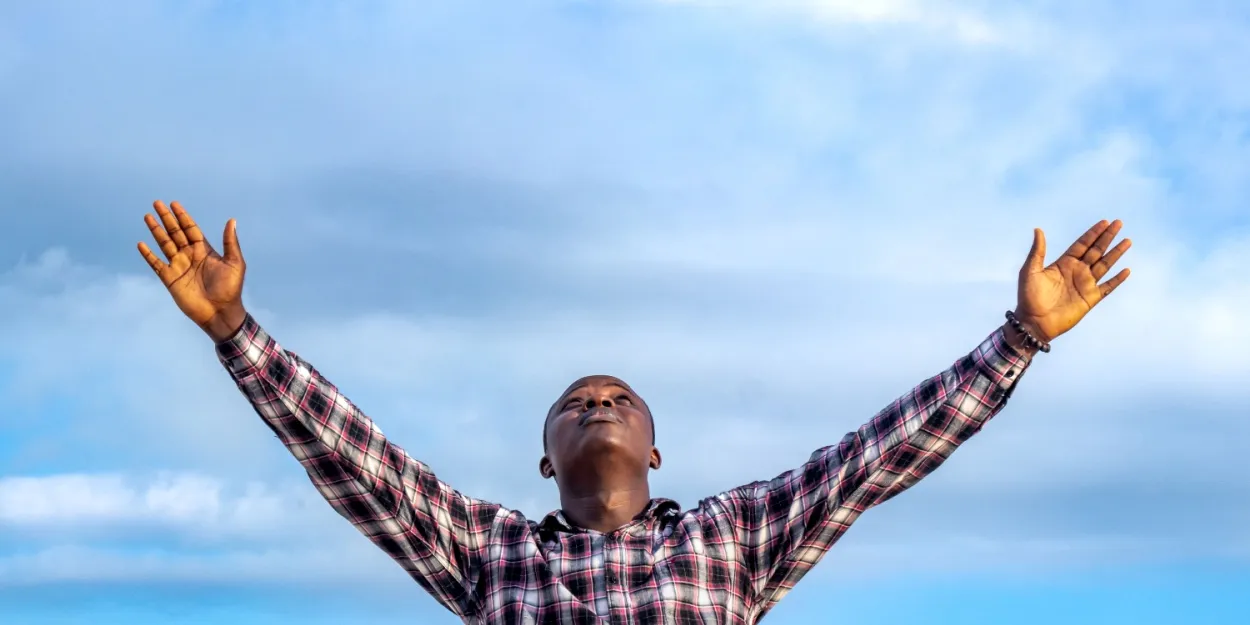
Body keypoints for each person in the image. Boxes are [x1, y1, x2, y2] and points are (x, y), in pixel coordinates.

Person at [137, 200, 1131, 625]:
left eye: (615, 400)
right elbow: (359, 461)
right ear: (543, 458)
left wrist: (1018, 337)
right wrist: (235, 332)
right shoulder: (491, 553)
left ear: (656, 447)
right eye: (575, 402)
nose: (596, 403)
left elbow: (875, 456)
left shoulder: (732, 536)